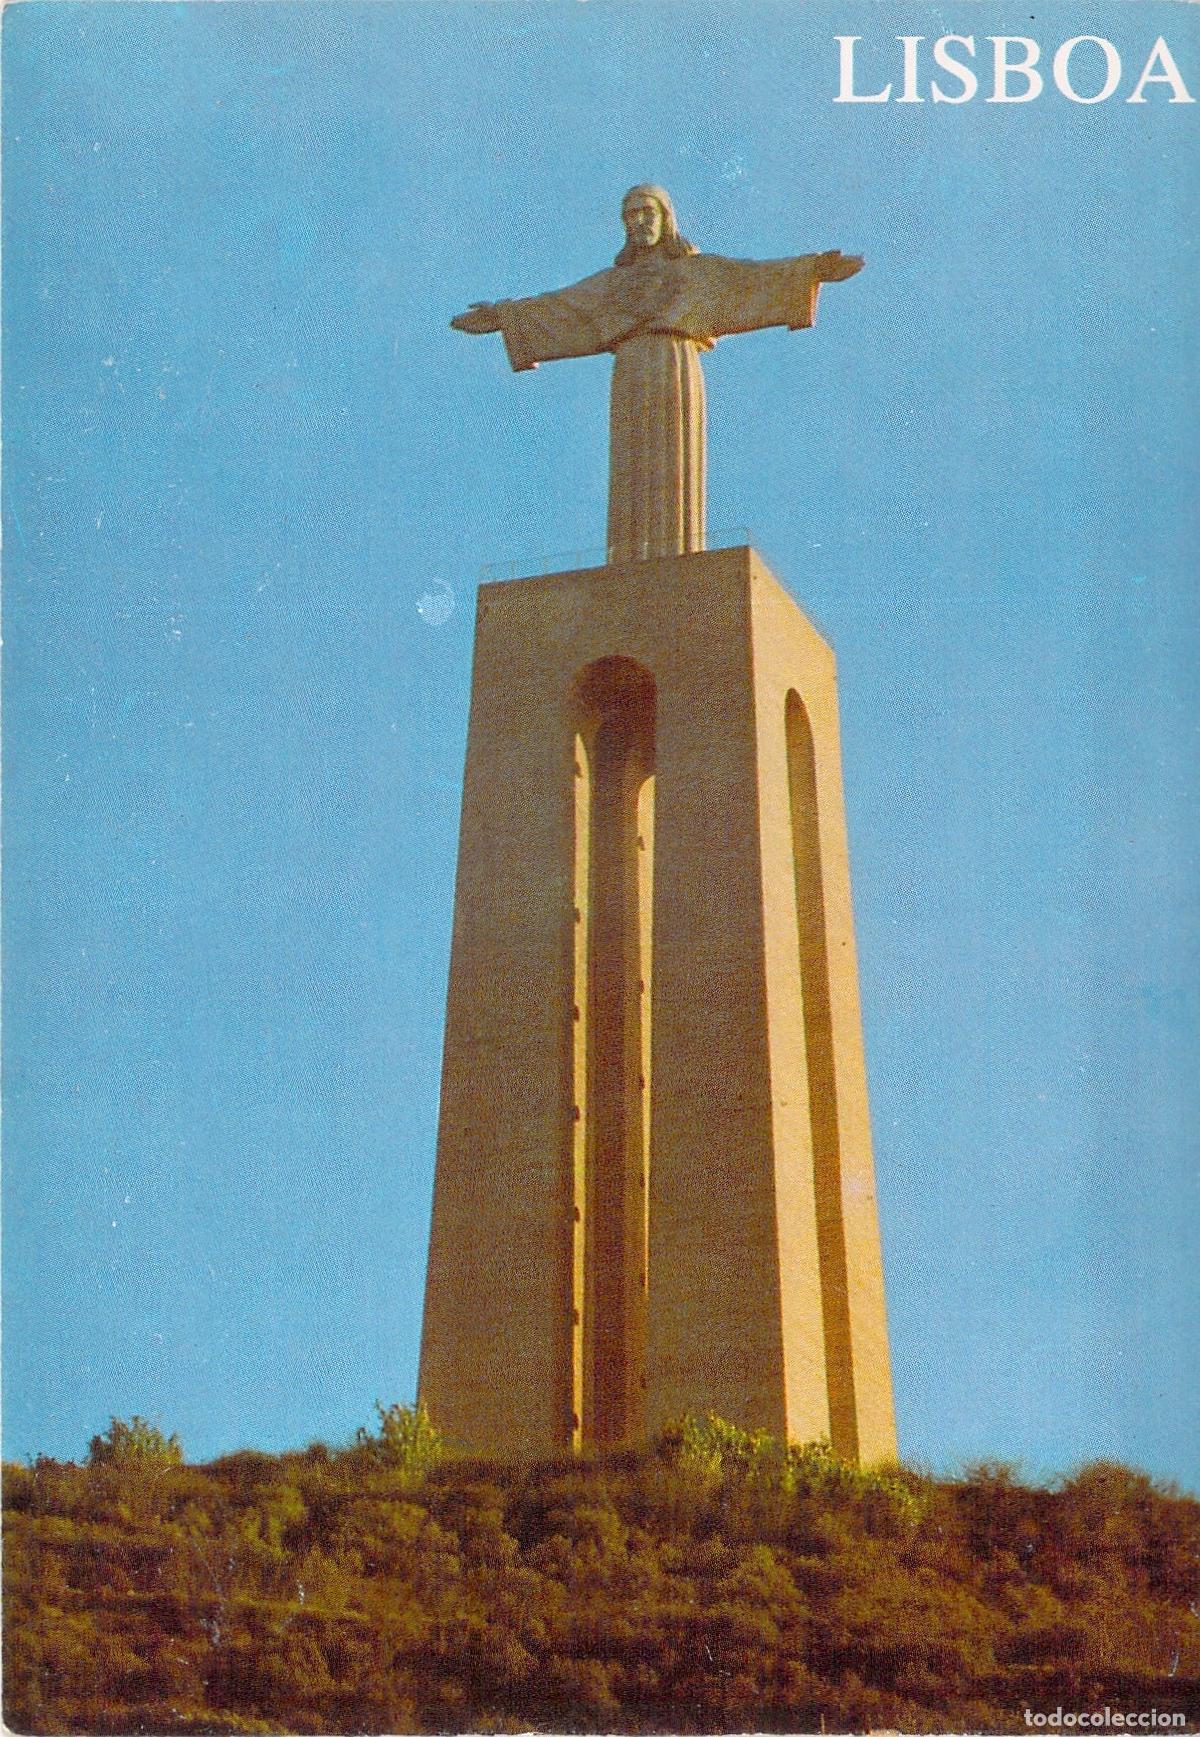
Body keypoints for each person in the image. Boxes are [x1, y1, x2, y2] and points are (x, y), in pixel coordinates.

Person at [452, 186, 863, 564]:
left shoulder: (697, 272)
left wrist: (813, 270)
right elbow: (561, 307)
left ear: (666, 218)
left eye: (646, 213)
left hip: (676, 363)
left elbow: (754, 277)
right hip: (630, 370)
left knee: (676, 465)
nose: (638, 223)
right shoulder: (613, 284)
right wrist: (503, 317)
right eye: (629, 216)